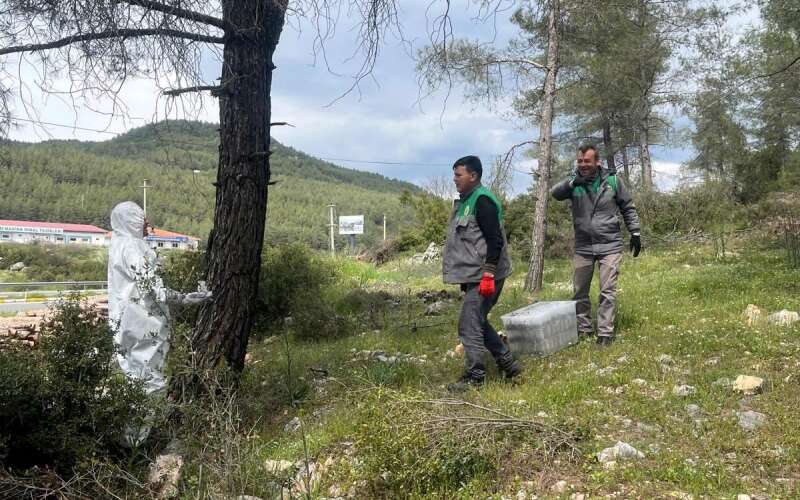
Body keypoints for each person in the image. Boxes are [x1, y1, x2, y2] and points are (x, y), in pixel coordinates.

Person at [107, 201, 211, 443]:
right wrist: (185, 299)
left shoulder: (118, 244)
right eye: (142, 219)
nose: (147, 224)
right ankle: (135, 443)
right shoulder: (133, 246)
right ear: (131, 220)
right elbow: (151, 288)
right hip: (144, 324)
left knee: (133, 378)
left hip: (126, 324)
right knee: (151, 381)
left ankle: (126, 438)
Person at [442, 155, 521, 391]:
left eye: (458, 175)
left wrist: (488, 274)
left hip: (488, 276)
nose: (455, 179)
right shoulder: (465, 202)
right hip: (475, 277)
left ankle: (475, 376)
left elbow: (495, 242)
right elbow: (468, 244)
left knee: (468, 325)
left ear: (473, 176)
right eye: (454, 174)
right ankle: (509, 365)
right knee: (477, 321)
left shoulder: (482, 200)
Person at [550, 145, 642, 346]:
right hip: (583, 246)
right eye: (580, 161)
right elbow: (554, 193)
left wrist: (635, 232)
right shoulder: (574, 183)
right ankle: (584, 329)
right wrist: (574, 182)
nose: (583, 165)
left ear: (597, 162)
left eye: (587, 161)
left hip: (610, 244)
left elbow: (628, 207)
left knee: (607, 290)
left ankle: (605, 333)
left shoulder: (612, 181)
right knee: (579, 290)